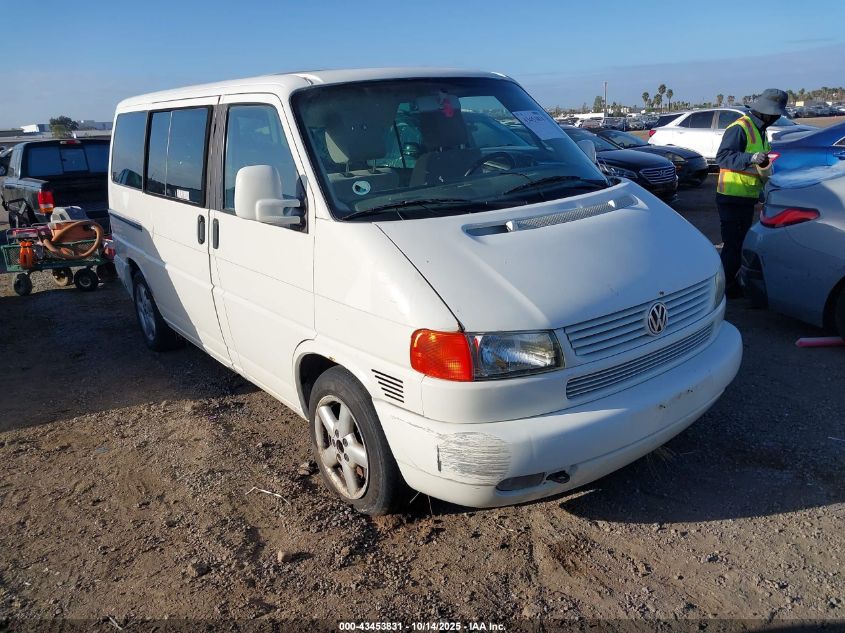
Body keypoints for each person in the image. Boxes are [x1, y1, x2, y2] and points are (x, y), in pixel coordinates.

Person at [715, 88, 788, 297]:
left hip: (747, 196)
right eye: (774, 115)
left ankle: (734, 283)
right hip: (730, 196)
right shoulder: (740, 128)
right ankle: (724, 288)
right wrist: (750, 158)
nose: (776, 118)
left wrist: (764, 184)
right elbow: (723, 157)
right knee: (732, 246)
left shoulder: (761, 130)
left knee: (740, 244)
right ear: (765, 111)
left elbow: (760, 165)